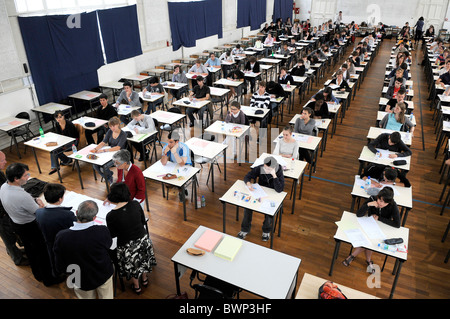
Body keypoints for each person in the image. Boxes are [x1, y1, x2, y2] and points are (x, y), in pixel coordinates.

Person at [0, 163, 61, 286]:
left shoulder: (4, 187)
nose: (28, 177)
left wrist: (33, 199)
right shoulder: (21, 196)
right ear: (16, 179)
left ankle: (37, 274)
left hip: (17, 223)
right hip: (30, 226)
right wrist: (40, 205)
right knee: (42, 253)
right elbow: (38, 212)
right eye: (25, 175)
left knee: (31, 251)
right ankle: (49, 279)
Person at [53, 200, 114, 299]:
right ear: (94, 217)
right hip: (102, 273)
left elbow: (59, 262)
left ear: (76, 212)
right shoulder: (102, 231)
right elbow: (108, 245)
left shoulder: (61, 236)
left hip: (79, 277)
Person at [105, 182, 156, 295]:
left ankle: (137, 287)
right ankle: (145, 279)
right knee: (142, 260)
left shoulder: (111, 215)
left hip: (127, 246)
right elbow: (143, 221)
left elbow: (112, 234)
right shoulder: (135, 204)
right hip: (143, 240)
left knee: (132, 266)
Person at [342, 187, 400, 273]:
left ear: (388, 202)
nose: (380, 203)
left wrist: (380, 218)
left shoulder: (393, 205)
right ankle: (369, 261)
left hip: (382, 228)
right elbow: (358, 214)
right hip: (368, 225)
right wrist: (368, 204)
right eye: (379, 200)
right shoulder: (373, 198)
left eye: (383, 202)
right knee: (368, 240)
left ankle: (352, 256)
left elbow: (397, 224)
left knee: (370, 241)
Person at [237, 156, 285, 242]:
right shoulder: (261, 168)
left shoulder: (278, 170)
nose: (265, 170)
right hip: (260, 193)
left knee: (269, 211)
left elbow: (279, 189)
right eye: (265, 167)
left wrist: (274, 175)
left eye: (268, 169)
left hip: (272, 194)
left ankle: (266, 231)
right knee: (247, 207)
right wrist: (248, 183)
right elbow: (247, 176)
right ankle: (244, 229)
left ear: (274, 168)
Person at [35, 183, 76, 276]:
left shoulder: (39, 212)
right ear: (60, 199)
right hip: (64, 245)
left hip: (49, 242)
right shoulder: (67, 215)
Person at [0, 151, 28, 266]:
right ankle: (17, 258)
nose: (6, 162)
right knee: (8, 237)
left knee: (10, 233)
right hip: (1, 214)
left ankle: (15, 251)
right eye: (2, 160)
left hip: (5, 210)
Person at [91, 116, 128, 185]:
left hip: (119, 155)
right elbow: (103, 142)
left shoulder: (123, 134)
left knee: (104, 167)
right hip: (109, 153)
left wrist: (103, 150)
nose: (112, 128)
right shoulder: (110, 131)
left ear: (118, 125)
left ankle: (109, 177)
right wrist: (95, 149)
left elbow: (118, 148)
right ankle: (109, 177)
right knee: (95, 165)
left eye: (114, 126)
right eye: (110, 126)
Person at [49, 111, 79, 175]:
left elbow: (72, 137)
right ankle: (58, 165)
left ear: (63, 116)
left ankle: (66, 161)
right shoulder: (57, 124)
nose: (58, 119)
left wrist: (64, 144)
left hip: (73, 142)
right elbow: (59, 135)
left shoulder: (69, 124)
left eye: (60, 117)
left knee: (57, 150)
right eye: (56, 118)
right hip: (64, 142)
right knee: (53, 150)